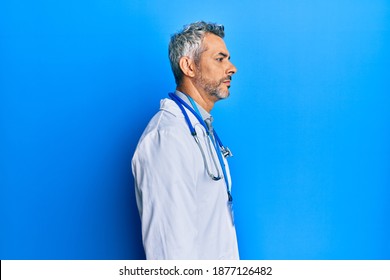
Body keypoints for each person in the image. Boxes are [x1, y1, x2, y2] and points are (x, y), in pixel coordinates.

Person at [132, 21, 239, 260]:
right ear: (189, 66)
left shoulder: (199, 129)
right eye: (220, 59)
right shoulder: (167, 138)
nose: (232, 68)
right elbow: (169, 250)